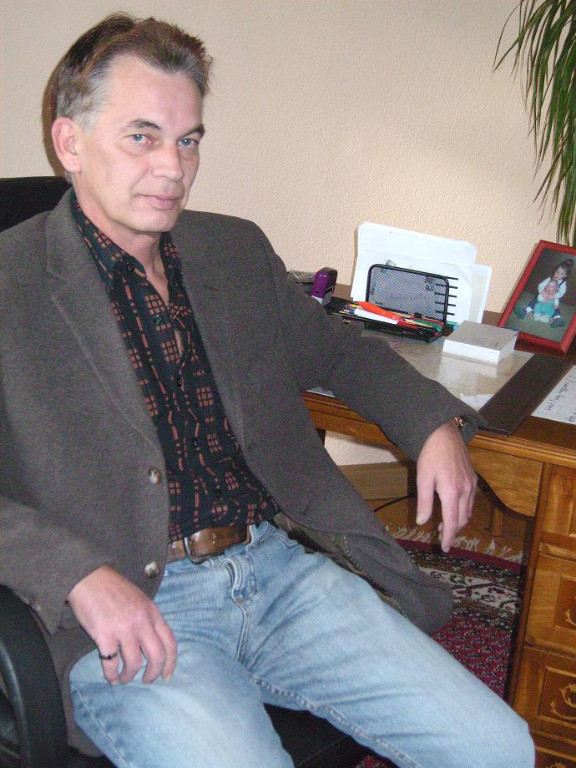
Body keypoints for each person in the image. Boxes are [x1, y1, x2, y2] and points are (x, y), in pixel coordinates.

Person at [0, 13, 534, 768]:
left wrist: (433, 425)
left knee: (498, 748)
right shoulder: (10, 284)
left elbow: (337, 350)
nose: (173, 168)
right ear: (69, 143)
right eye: (142, 137)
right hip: (129, 608)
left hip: (276, 570)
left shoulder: (231, 249)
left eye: (189, 140)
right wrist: (76, 575)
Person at [515, 258, 573, 328]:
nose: (558, 275)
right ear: (555, 270)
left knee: (556, 307)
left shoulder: (563, 283)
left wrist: (553, 296)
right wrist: (542, 292)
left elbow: (561, 293)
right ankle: (524, 311)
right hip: (543, 295)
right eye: (557, 272)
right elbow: (541, 285)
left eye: (561, 274)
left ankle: (558, 319)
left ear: (565, 276)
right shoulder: (550, 278)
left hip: (553, 299)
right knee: (535, 300)